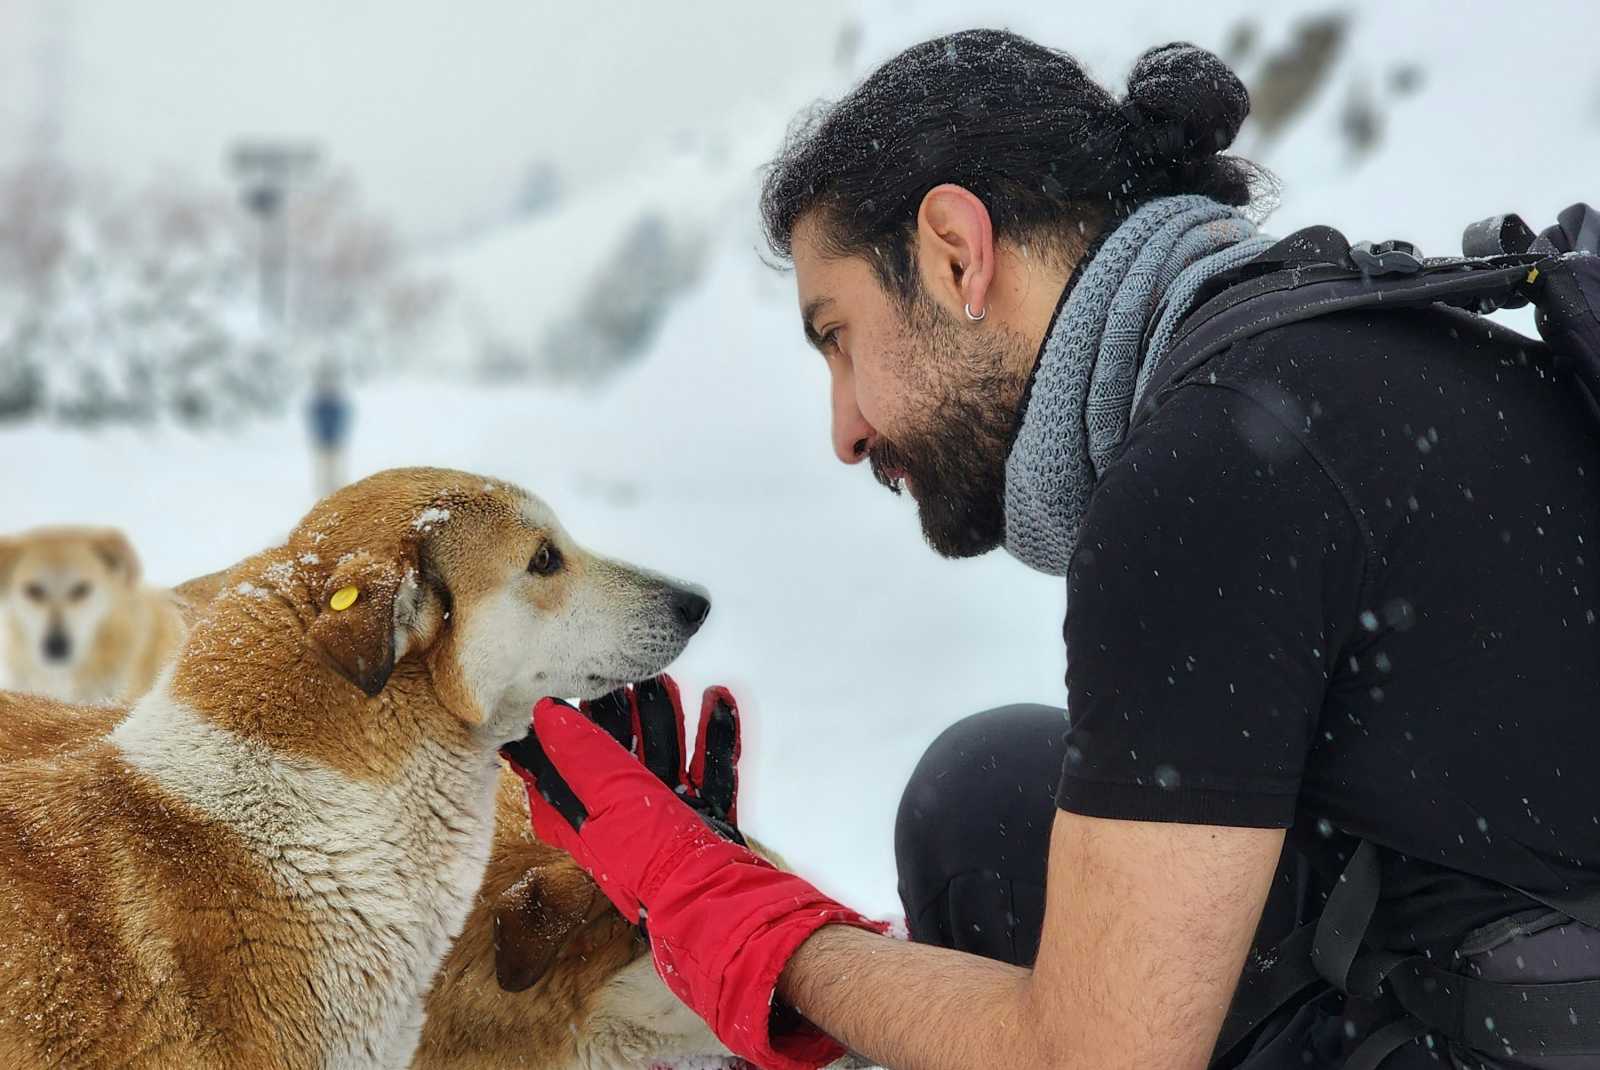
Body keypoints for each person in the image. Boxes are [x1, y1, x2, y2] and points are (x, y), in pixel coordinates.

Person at [502, 30, 1600, 1070]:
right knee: (985, 802)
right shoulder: (1337, 347)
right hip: (1505, 960)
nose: (843, 428)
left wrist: (731, 913)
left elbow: (1095, 1054)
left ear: (953, 255)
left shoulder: (1211, 475)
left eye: (837, 337)